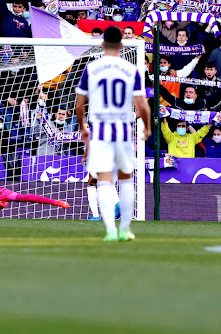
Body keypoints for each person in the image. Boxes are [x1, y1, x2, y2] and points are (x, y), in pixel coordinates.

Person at [75, 26, 152, 242]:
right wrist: (147, 127)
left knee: (104, 180)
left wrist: (82, 128)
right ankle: (125, 229)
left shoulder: (92, 68)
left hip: (100, 131)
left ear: (101, 44)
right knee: (126, 178)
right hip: (123, 130)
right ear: (121, 44)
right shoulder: (130, 70)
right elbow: (142, 106)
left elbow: (79, 105)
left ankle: (109, 229)